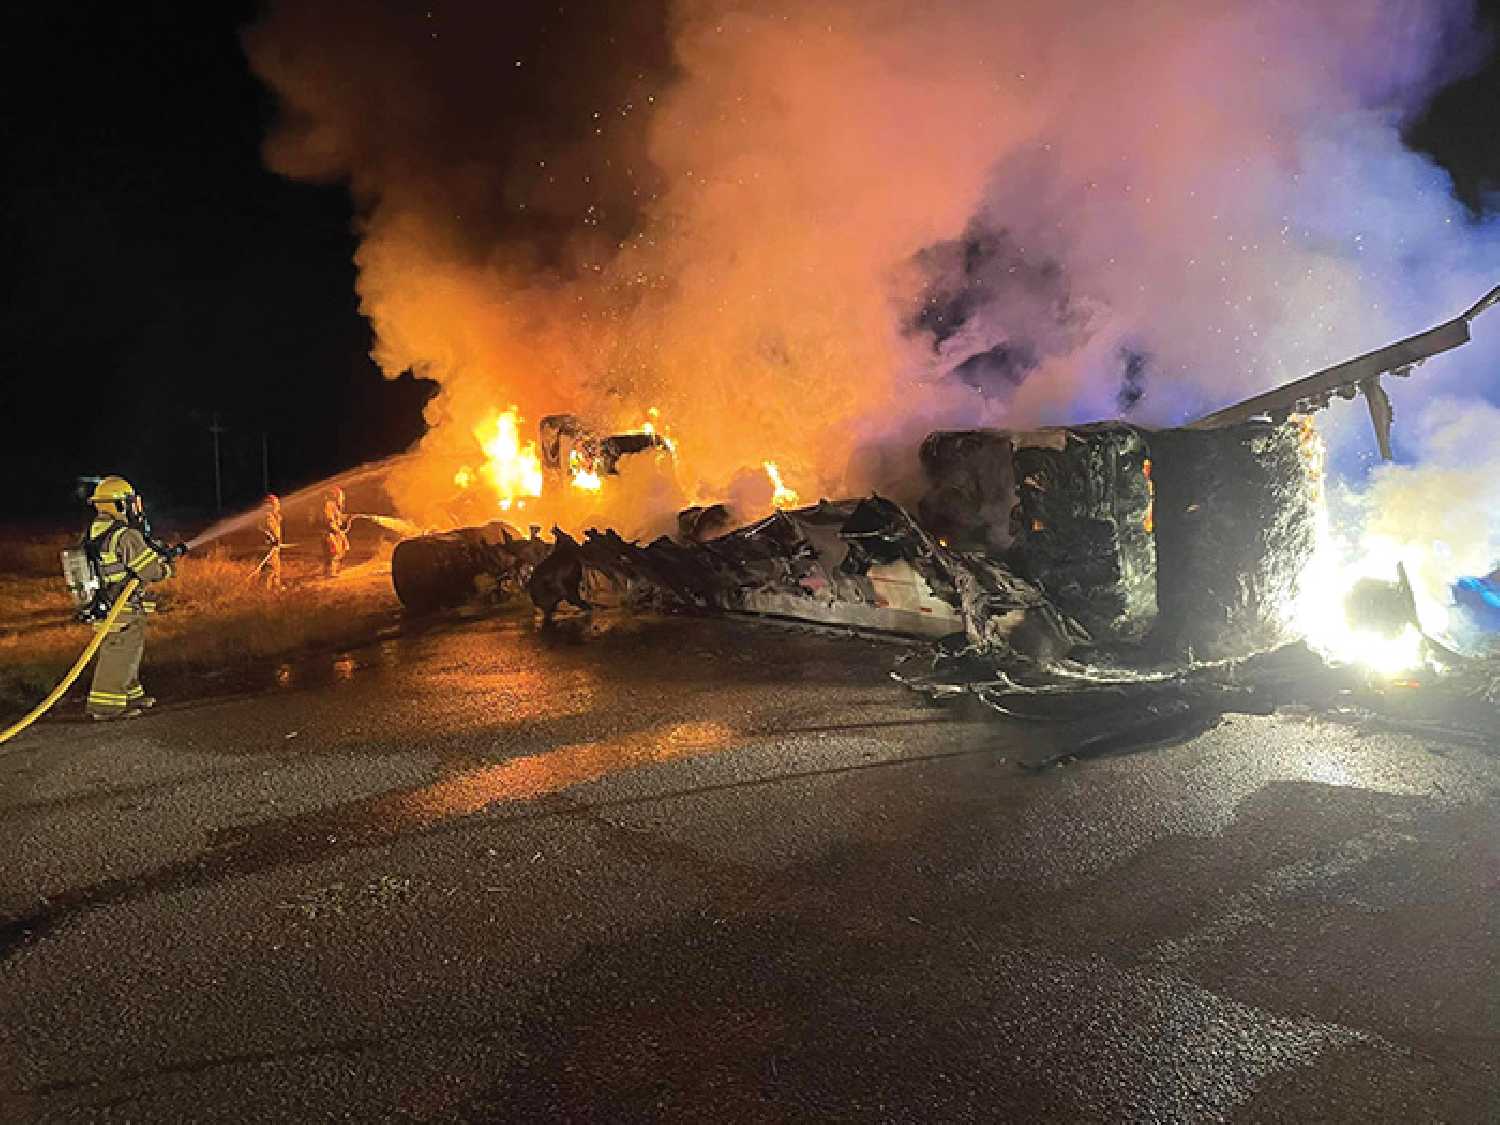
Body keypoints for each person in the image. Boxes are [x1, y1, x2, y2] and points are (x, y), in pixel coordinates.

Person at [82, 476, 176, 721]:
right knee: (119, 654)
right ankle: (106, 707)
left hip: (108, 605)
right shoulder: (123, 535)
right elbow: (150, 571)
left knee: (128, 652)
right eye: (129, 502)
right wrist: (165, 568)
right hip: (120, 607)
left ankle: (130, 695)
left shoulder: (95, 532)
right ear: (120, 504)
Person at [321, 486, 351, 578]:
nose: (342, 498)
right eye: (341, 495)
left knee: (340, 551)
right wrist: (339, 532)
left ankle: (330, 571)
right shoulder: (329, 505)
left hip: (334, 533)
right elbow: (330, 522)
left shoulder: (335, 506)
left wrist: (348, 517)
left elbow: (338, 517)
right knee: (334, 553)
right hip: (330, 534)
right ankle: (330, 572)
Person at [257, 493, 284, 591]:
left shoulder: (274, 516)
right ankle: (265, 589)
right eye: (276, 504)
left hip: (274, 547)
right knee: (270, 567)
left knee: (276, 566)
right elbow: (264, 530)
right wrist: (272, 539)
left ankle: (276, 586)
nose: (278, 506)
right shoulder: (267, 517)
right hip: (270, 547)